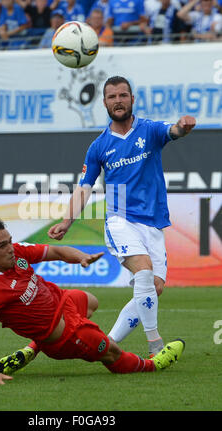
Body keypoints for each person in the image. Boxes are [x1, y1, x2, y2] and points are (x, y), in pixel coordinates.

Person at [48, 76, 196, 357]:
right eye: (112, 96)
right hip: (120, 220)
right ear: (104, 102)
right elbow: (84, 187)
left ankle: (107, 343)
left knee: (153, 288)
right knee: (143, 271)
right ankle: (155, 345)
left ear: (132, 99)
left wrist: (184, 127)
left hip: (153, 223)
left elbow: (174, 131)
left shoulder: (149, 130)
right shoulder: (99, 146)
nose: (118, 101)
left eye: (123, 95)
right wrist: (67, 221)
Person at [0, 219, 185, 385]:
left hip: (63, 302)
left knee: (90, 301)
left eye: (10, 241)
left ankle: (32, 349)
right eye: (2, 245)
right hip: (66, 335)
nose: (10, 248)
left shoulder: (16, 253)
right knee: (112, 352)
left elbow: (55, 251)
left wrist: (80, 257)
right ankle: (152, 365)